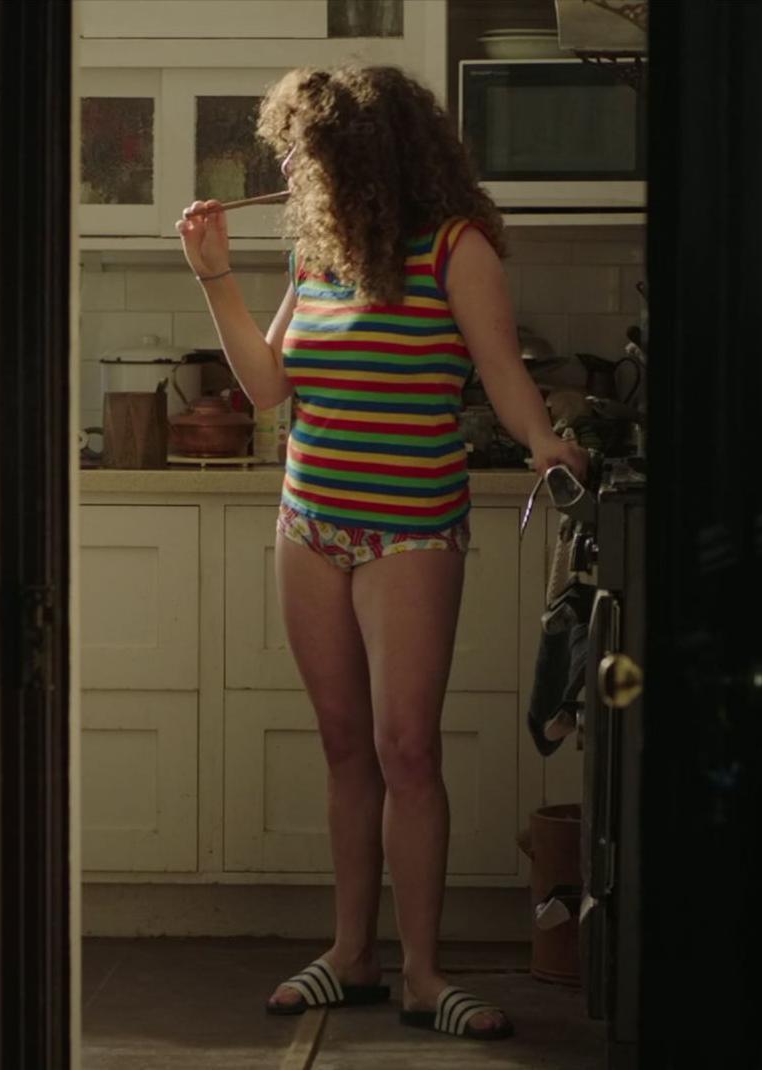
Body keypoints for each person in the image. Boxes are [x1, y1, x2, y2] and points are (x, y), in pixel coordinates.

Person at [176, 64, 587, 1043]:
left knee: (407, 748)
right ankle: (351, 954)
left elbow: (502, 374)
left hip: (411, 523)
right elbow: (267, 386)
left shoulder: (455, 247)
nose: (289, 167)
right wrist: (214, 277)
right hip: (309, 523)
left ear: (360, 154)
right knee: (344, 746)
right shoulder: (319, 253)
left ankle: (425, 973)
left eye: (304, 150)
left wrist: (544, 441)